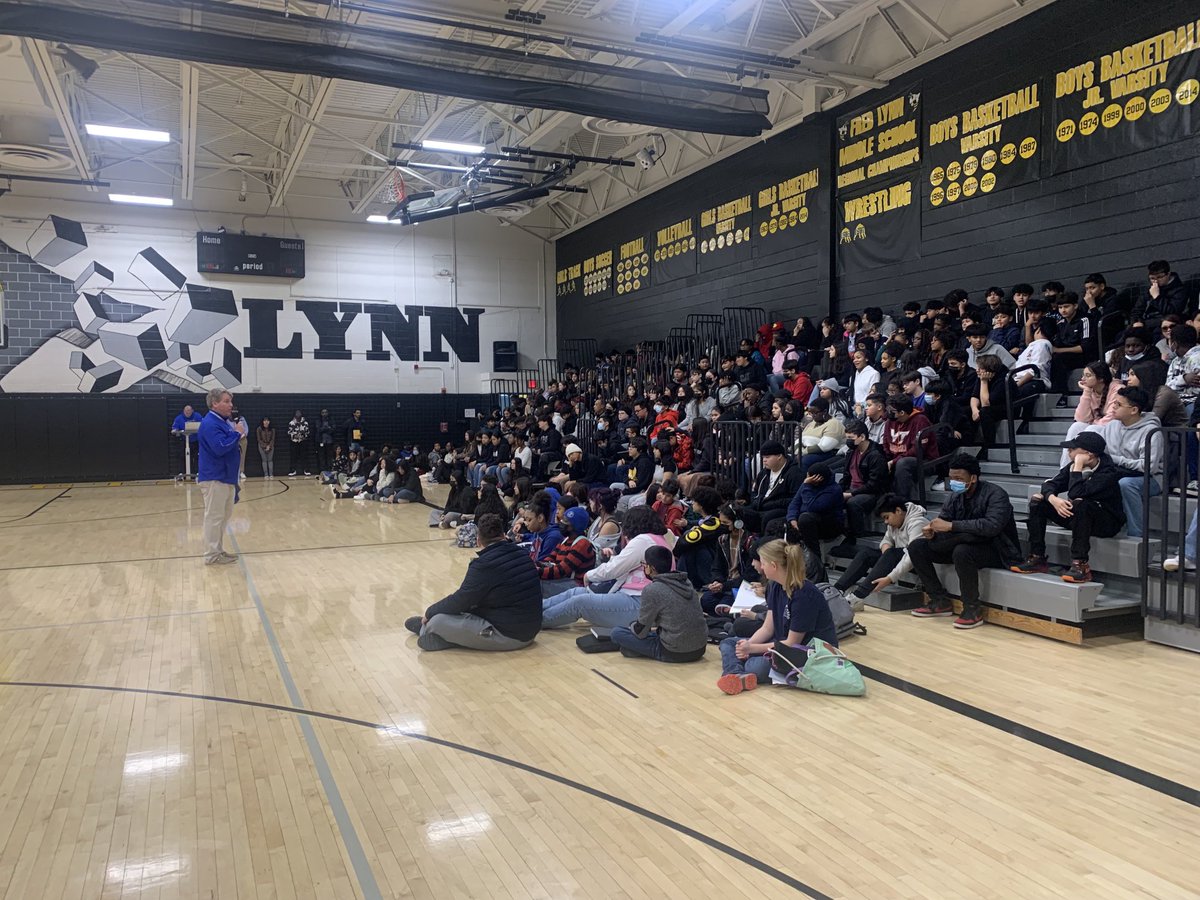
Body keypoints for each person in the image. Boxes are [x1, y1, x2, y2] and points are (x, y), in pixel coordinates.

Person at [906, 453, 1019, 629]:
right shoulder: (954, 497)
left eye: (958, 478)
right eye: (951, 478)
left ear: (973, 478)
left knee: (962, 551)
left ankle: (972, 609)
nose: (954, 482)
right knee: (917, 547)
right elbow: (944, 523)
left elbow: (991, 527)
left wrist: (952, 526)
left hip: (997, 549)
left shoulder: (996, 494)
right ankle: (938, 599)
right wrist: (933, 533)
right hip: (962, 543)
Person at [404, 513, 541, 652]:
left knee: (437, 622)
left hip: (509, 636)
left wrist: (430, 612)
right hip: (529, 629)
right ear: (504, 535)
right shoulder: (522, 553)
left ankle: (427, 629)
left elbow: (462, 600)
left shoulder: (484, 564)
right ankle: (445, 636)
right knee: (457, 611)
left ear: (478, 541)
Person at [716, 539, 837, 695]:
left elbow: (792, 643)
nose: (761, 567)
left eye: (763, 563)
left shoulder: (804, 594)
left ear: (773, 566)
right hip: (781, 645)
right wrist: (747, 646)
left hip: (809, 653)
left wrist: (751, 649)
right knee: (728, 643)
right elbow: (767, 628)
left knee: (755, 666)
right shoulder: (774, 586)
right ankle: (736, 674)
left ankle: (737, 670)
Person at [1011, 432, 1125, 584]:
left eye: (1073, 449)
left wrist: (1077, 467)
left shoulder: (1108, 472)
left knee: (1081, 504)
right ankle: (1037, 557)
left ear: (1088, 453)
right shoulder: (1072, 467)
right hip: (1081, 519)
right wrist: (1053, 499)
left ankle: (1080, 564)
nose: (1068, 451)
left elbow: (1076, 493)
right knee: (1038, 501)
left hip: (1106, 523)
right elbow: (1049, 485)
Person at [540, 505, 675, 629]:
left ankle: (536, 621)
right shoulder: (658, 540)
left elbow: (613, 569)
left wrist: (589, 575)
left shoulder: (643, 541)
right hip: (642, 601)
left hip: (640, 603)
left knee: (579, 602)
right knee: (575, 593)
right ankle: (536, 610)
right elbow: (622, 565)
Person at [610, 545, 707, 663]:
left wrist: (633, 625)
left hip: (673, 651)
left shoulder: (652, 589)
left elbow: (641, 632)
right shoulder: (686, 582)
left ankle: (638, 650)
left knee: (617, 633)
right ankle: (636, 650)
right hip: (700, 648)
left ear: (652, 568)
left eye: (644, 564)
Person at [1092, 387, 1162, 539]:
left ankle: (1137, 535)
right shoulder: (1111, 426)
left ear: (1134, 410)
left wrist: (1118, 460)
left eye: (1118, 404)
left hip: (1151, 478)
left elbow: (1149, 467)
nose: (1113, 407)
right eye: (1114, 403)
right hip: (1118, 473)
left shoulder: (1151, 431)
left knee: (1126, 484)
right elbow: (1102, 454)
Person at [834, 494, 931, 599]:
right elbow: (886, 540)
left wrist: (890, 577)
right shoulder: (896, 522)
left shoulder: (918, 523)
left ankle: (858, 596)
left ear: (898, 511)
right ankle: (836, 590)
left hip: (918, 563)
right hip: (899, 558)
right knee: (866, 553)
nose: (886, 522)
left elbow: (912, 556)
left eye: (886, 517)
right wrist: (886, 551)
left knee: (892, 553)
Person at [196, 388, 246, 565]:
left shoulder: (221, 422)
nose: (231, 405)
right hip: (215, 478)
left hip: (225, 477)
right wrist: (237, 433)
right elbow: (220, 447)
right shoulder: (210, 423)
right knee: (214, 517)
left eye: (230, 401)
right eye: (226, 401)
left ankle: (218, 550)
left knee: (222, 517)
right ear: (214, 403)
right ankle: (211, 555)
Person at [839, 420, 889, 545]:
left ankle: (857, 534)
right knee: (830, 499)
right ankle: (840, 533)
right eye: (847, 438)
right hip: (852, 488)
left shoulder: (876, 455)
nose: (848, 441)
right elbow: (846, 477)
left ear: (862, 437)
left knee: (853, 503)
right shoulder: (851, 452)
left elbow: (874, 484)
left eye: (851, 438)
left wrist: (851, 494)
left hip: (872, 492)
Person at [882, 396, 936, 501]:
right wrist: (886, 460)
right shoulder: (890, 421)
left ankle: (902, 502)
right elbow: (885, 442)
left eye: (891, 411)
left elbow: (917, 450)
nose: (888, 413)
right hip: (896, 458)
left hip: (924, 460)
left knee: (903, 463)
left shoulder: (921, 420)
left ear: (902, 412)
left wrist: (893, 461)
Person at [536, 505, 596, 598]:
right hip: (563, 580)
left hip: (576, 585)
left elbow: (562, 570)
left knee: (535, 584)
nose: (561, 522)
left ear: (575, 526)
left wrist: (538, 572)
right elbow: (550, 558)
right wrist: (536, 565)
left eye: (565, 521)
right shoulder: (565, 540)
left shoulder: (582, 544)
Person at [784, 462, 844, 554]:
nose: (808, 479)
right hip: (806, 521)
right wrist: (792, 519)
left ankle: (814, 556)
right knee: (777, 523)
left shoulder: (834, 489)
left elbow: (812, 507)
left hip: (829, 525)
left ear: (819, 479)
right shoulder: (807, 484)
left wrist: (807, 486)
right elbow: (794, 503)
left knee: (805, 519)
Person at [749, 440, 805, 533]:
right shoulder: (763, 473)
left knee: (767, 517)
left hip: (781, 509)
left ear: (779, 456)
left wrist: (770, 503)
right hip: (762, 505)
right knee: (742, 512)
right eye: (763, 457)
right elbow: (755, 492)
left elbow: (796, 499)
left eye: (767, 457)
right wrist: (757, 502)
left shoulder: (794, 473)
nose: (764, 460)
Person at [1050, 292, 1093, 407]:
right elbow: (1057, 344)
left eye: (1066, 306)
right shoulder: (1061, 323)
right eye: (1060, 307)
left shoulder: (1084, 320)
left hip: (1083, 357)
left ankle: (1062, 394)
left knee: (1057, 358)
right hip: (1065, 356)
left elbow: (1085, 348)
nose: (1063, 310)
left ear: (1075, 306)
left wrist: (1059, 350)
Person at [1130, 259, 1190, 333]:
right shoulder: (1150, 290)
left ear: (1168, 274)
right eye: (1152, 278)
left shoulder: (1179, 290)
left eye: (1160, 277)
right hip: (1145, 323)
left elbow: (1173, 312)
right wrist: (1136, 321)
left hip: (1165, 325)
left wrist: (1157, 297)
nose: (1156, 281)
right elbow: (1137, 310)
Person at [799, 398, 846, 475]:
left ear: (824, 411)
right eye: (811, 413)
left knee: (805, 460)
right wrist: (798, 450)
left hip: (829, 453)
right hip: (808, 451)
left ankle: (804, 481)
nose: (813, 416)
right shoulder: (811, 424)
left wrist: (802, 452)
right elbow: (800, 439)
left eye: (815, 413)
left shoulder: (834, 424)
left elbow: (824, 446)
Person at [170, 403, 203, 475]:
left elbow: (203, 425)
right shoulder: (179, 418)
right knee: (182, 457)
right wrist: (175, 431)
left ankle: (197, 472)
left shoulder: (197, 416)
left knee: (197, 456)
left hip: (196, 441)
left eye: (189, 410)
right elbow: (174, 429)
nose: (187, 412)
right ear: (183, 411)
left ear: (192, 410)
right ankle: (182, 472)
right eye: (186, 411)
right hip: (184, 441)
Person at [286, 410, 312, 477]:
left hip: (303, 441)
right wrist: (294, 435)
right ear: (295, 415)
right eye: (297, 413)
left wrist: (303, 435)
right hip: (294, 442)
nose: (298, 415)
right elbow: (289, 432)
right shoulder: (291, 423)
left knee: (304, 456)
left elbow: (308, 432)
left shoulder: (305, 423)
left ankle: (306, 470)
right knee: (293, 456)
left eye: (299, 413)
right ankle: (293, 470)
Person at [229, 405, 249, 481]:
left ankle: (241, 471)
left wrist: (242, 435)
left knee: (242, 456)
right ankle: (232, 471)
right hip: (233, 439)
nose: (234, 412)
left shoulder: (242, 419)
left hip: (242, 439)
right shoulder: (228, 420)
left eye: (236, 410)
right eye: (233, 410)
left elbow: (246, 429)